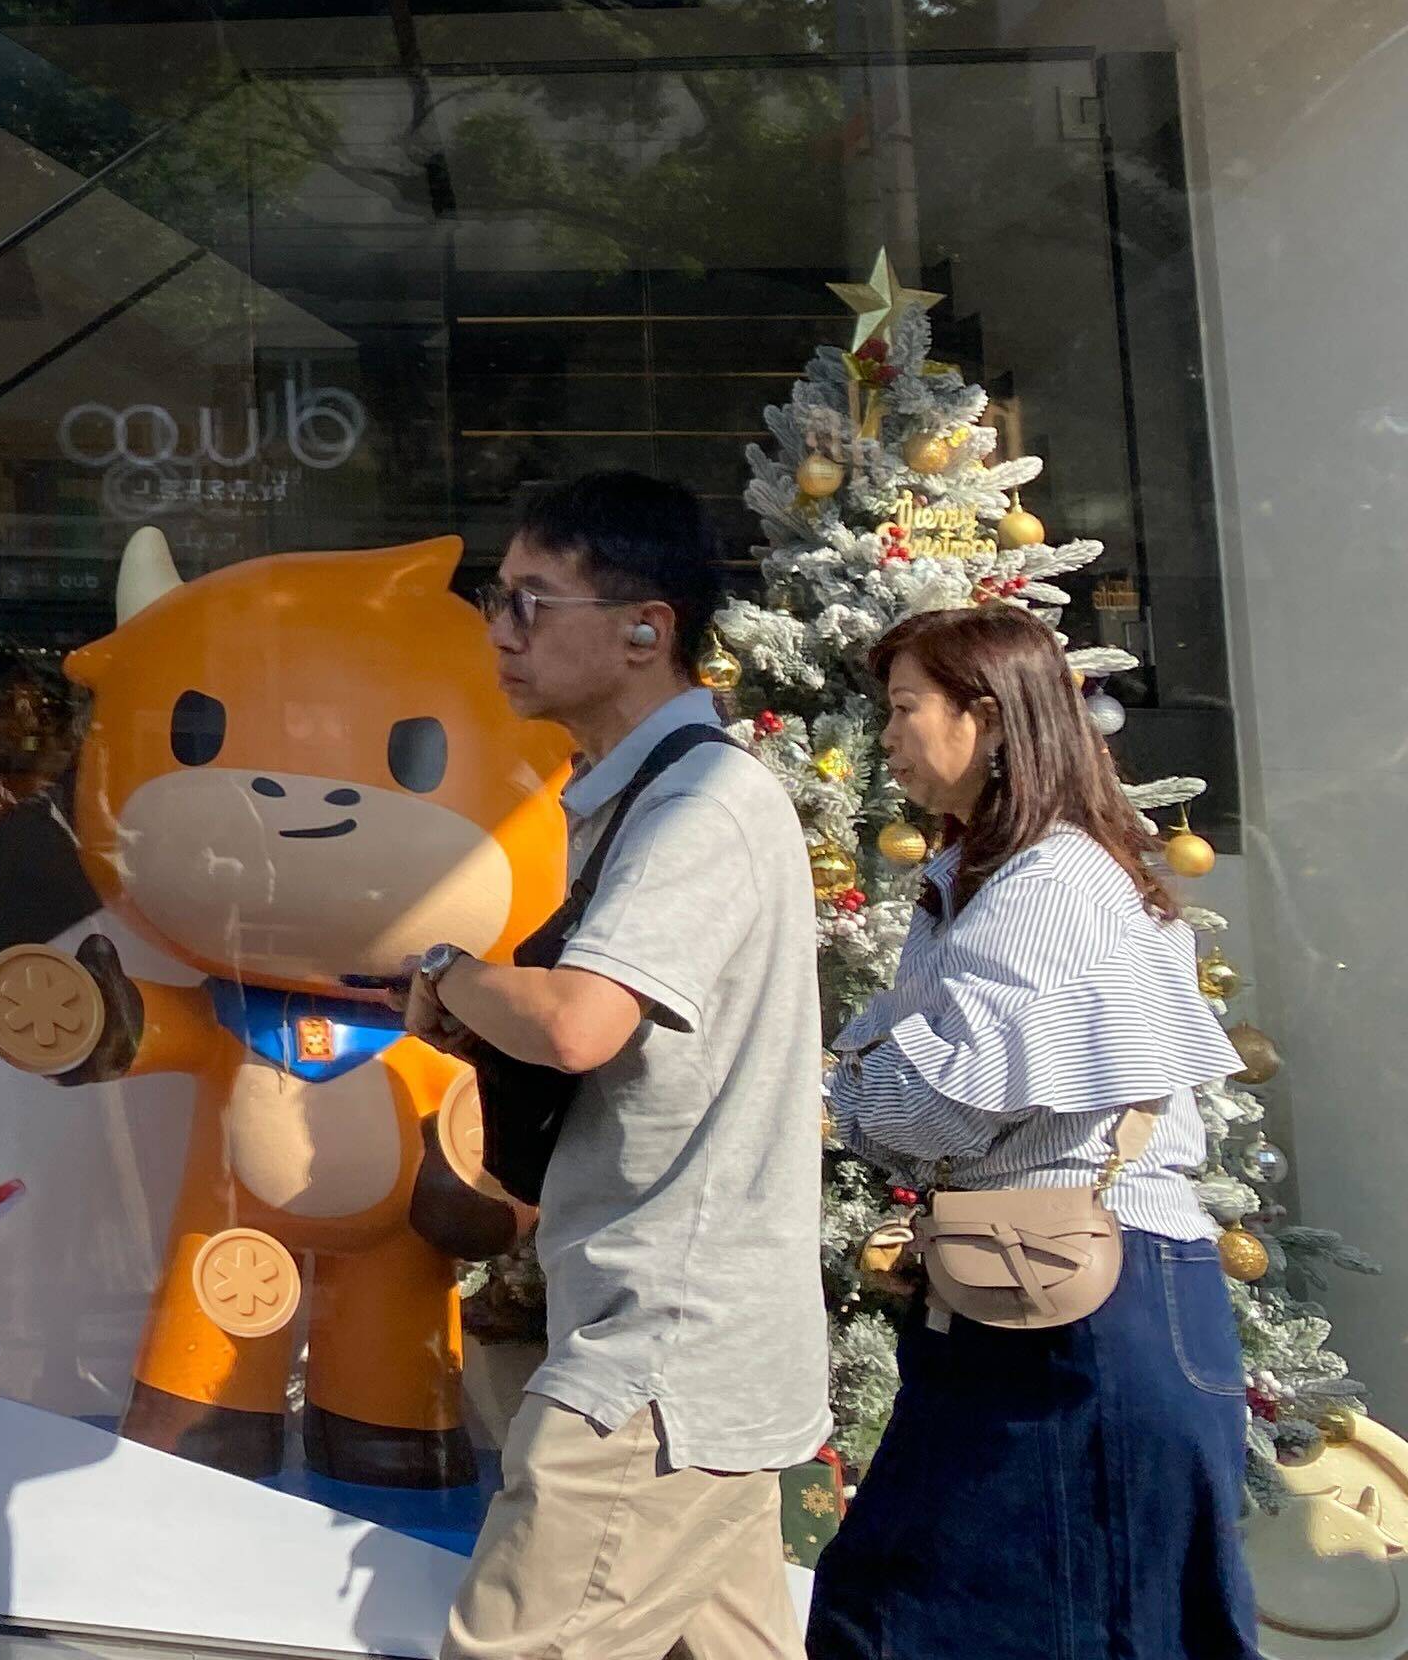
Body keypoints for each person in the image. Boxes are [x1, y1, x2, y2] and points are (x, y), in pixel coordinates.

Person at [402, 468, 824, 1660]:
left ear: (648, 629)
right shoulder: (650, 793)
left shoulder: (704, 801)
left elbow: (584, 1023)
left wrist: (455, 973)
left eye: (533, 602)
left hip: (656, 1361)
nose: (500, 631)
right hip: (689, 1350)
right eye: (500, 598)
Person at [811, 603, 1254, 1660]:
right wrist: (873, 1069)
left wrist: (843, 1085)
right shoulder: (992, 883)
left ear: (993, 719)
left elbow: (939, 1097)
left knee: (984, 1617)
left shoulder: (1047, 885)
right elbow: (910, 1067)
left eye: (905, 708)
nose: (886, 736)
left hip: (1085, 1311)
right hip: (1056, 1297)